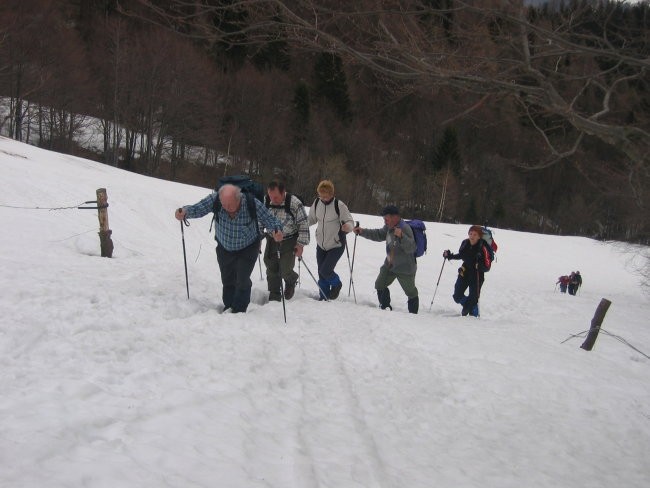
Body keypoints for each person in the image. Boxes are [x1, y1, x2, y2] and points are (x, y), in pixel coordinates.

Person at [175, 184, 283, 313]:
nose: (226, 208)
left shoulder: (251, 203)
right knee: (227, 279)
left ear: (239, 199)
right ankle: (228, 306)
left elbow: (270, 220)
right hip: (224, 247)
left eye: (230, 205)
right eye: (223, 204)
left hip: (248, 247)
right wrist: (185, 212)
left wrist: (277, 231)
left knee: (242, 280)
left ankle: (239, 310)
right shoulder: (216, 199)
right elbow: (199, 208)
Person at [353, 205, 419, 313]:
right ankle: (385, 308)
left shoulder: (406, 228)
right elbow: (378, 234)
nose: (385, 221)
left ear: (395, 217)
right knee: (379, 285)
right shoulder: (389, 227)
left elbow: (411, 248)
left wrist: (402, 236)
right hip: (390, 265)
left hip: (405, 269)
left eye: (386, 219)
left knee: (411, 293)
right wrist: (362, 232)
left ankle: (413, 315)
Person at [263, 180, 310, 302]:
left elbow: (303, 224)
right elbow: (260, 219)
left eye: (276, 197)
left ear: (283, 192)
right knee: (270, 265)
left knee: (285, 268)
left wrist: (300, 245)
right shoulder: (266, 200)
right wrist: (257, 239)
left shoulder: (294, 203)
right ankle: (274, 293)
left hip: (289, 239)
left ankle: (291, 280)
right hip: (272, 238)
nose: (272, 199)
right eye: (270, 196)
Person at [307, 179, 354, 300]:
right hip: (321, 244)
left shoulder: (339, 205)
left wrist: (347, 227)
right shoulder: (317, 203)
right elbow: (311, 219)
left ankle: (337, 284)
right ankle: (323, 297)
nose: (323, 199)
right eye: (321, 196)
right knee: (321, 272)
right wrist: (300, 225)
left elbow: (350, 221)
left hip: (336, 244)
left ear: (332, 194)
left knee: (325, 271)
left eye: (326, 196)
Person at [443, 225, 491, 317]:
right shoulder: (465, 243)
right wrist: (449, 256)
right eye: (470, 234)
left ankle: (472, 314)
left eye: (475, 235)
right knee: (457, 296)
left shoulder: (483, 247)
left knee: (473, 298)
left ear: (479, 236)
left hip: (477, 275)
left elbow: (487, 266)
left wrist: (480, 266)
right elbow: (461, 255)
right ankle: (469, 307)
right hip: (464, 272)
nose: (472, 236)